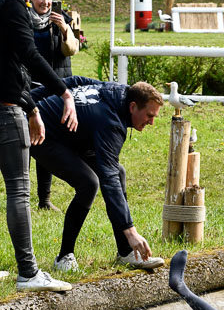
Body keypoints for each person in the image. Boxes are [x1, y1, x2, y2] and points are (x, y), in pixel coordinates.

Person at [0, 0, 78, 293]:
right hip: (5, 109)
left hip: (12, 100)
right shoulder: (13, 3)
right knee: (19, 188)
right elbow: (27, 55)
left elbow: (6, 63)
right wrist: (62, 91)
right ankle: (29, 273)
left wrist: (31, 106)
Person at [30, 76, 165, 271]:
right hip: (45, 134)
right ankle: (64, 257)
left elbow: (74, 80)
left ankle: (126, 253)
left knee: (119, 174)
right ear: (133, 107)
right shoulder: (111, 123)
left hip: (74, 134)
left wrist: (29, 98)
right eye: (149, 115)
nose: (152, 122)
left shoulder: (116, 91)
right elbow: (107, 179)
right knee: (89, 183)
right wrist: (131, 231)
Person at [29, 0, 80, 210]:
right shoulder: (23, 19)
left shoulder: (62, 21)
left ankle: (44, 199)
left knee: (45, 140)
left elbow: (71, 50)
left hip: (56, 86)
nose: (46, 2)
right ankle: (20, 194)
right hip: (29, 86)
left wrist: (64, 28)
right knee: (25, 140)